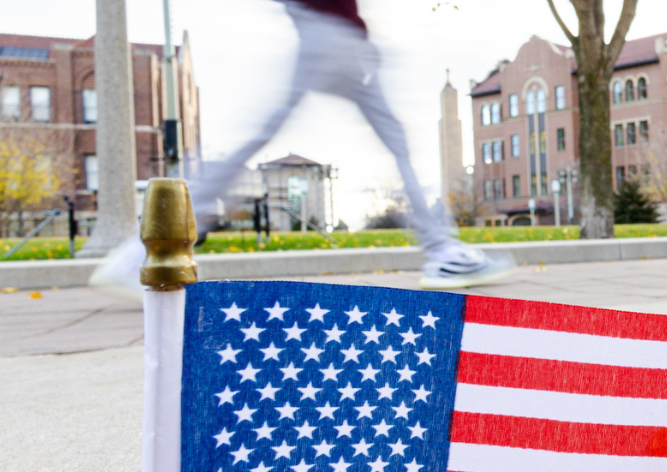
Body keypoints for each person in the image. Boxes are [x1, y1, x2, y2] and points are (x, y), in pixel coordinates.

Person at [89, 0, 514, 296]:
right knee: (384, 139)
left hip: (331, 34)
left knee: (269, 132)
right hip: (333, 36)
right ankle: (441, 250)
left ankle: (142, 249)